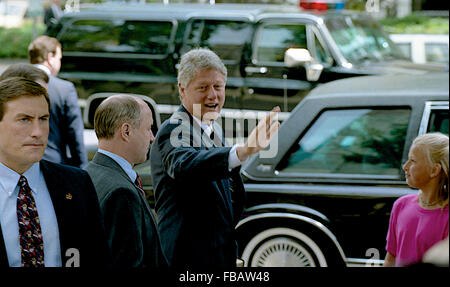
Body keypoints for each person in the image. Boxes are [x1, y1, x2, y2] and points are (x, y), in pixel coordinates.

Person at [150, 48, 280, 268]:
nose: (212, 95)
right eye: (203, 88)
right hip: (187, 258)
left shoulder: (214, 128)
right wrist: (242, 151)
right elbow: (186, 166)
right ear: (182, 90)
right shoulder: (174, 129)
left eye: (218, 87)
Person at [0, 77, 111, 267]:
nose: (38, 131)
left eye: (43, 119)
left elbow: (97, 257)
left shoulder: (76, 183)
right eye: (24, 119)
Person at [85, 95, 167, 267]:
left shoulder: (86, 175)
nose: (152, 137)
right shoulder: (121, 193)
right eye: (148, 129)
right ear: (126, 131)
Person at [384, 132, 449, 267]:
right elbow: (391, 258)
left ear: (434, 170)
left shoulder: (446, 216)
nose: (405, 166)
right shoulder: (401, 205)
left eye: (412, 161)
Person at [28, 35, 87, 168]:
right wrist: (82, 169)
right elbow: (74, 133)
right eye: (59, 58)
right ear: (50, 57)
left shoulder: (9, 84)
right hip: (53, 164)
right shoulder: (64, 89)